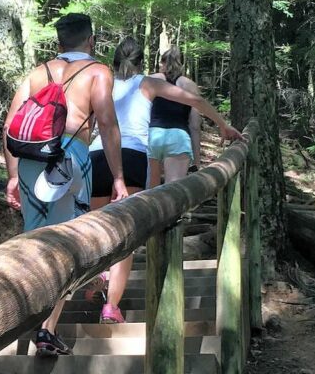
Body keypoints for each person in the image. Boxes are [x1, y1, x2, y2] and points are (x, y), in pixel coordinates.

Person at [85, 37, 242, 324]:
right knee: (125, 236)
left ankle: (99, 272)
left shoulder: (101, 82)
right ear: (142, 62)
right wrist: (223, 125)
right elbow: (193, 100)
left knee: (97, 226)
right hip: (131, 156)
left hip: (97, 155)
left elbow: (90, 123)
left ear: (115, 61)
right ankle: (111, 308)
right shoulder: (148, 84)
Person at [3, 13, 128, 356]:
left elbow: (10, 125)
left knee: (33, 240)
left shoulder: (37, 72)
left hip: (30, 160)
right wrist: (118, 177)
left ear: (59, 43)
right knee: (68, 244)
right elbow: (107, 123)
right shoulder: (98, 72)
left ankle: (20, 319)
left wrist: (13, 175)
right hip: (70, 159)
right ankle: (46, 329)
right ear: (91, 41)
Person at [147, 46, 201, 189]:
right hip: (179, 137)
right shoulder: (190, 85)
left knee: (148, 193)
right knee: (174, 193)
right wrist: (197, 161)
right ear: (182, 64)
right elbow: (195, 125)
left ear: (162, 63)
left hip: (152, 136)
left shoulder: (151, 80)